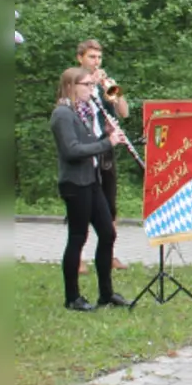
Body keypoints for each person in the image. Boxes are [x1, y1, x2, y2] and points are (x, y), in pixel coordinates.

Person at [50, 66, 131, 311]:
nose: (91, 89)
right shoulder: (62, 114)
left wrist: (105, 138)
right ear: (70, 87)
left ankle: (106, 294)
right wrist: (106, 143)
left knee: (108, 233)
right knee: (78, 237)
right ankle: (72, 297)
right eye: (86, 85)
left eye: (91, 85)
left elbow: (88, 145)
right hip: (75, 183)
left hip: (91, 179)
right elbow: (72, 151)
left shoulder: (82, 112)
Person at [74, 39, 130, 272]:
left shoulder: (105, 83)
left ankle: (109, 254)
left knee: (110, 203)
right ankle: (79, 257)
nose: (96, 62)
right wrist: (90, 85)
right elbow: (69, 109)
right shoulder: (74, 80)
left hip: (106, 148)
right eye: (91, 57)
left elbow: (125, 113)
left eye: (98, 57)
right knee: (84, 203)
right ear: (80, 58)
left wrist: (114, 93)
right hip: (85, 147)